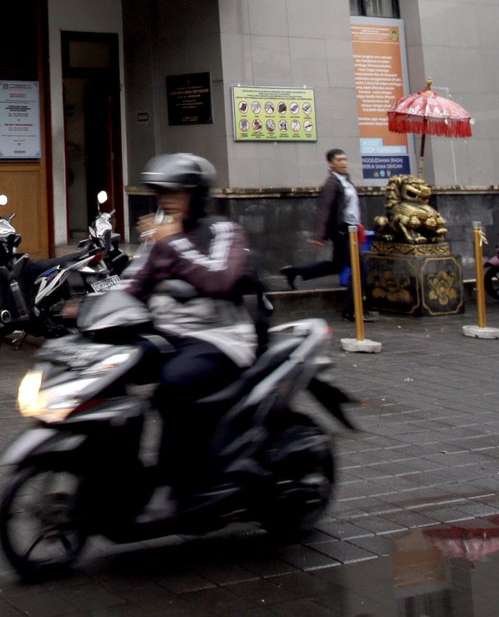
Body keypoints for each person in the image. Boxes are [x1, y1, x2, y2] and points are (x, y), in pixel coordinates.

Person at [124, 153, 257, 480]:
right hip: (168, 333)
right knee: (111, 368)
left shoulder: (222, 231)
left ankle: (179, 477)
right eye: (162, 193)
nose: (166, 200)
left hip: (219, 337)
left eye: (176, 192)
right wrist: (87, 308)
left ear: (196, 195)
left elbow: (218, 279)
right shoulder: (164, 239)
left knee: (175, 382)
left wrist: (172, 242)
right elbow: (136, 283)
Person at [282, 148, 362, 293]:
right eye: (339, 160)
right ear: (331, 163)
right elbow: (324, 208)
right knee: (361, 270)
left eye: (345, 159)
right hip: (343, 232)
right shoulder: (332, 183)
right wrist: (319, 235)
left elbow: (350, 207)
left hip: (351, 230)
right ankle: (354, 305)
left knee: (337, 266)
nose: (344, 163)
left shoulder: (346, 181)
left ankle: (294, 272)